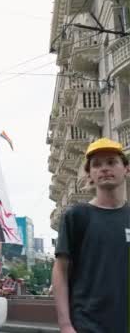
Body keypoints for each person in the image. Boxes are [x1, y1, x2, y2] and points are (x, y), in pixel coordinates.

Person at [52, 138, 130, 333]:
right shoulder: (77, 216)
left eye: (111, 162)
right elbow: (60, 271)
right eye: (96, 165)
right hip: (87, 325)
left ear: (126, 169)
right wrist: (65, 325)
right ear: (89, 175)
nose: (104, 168)